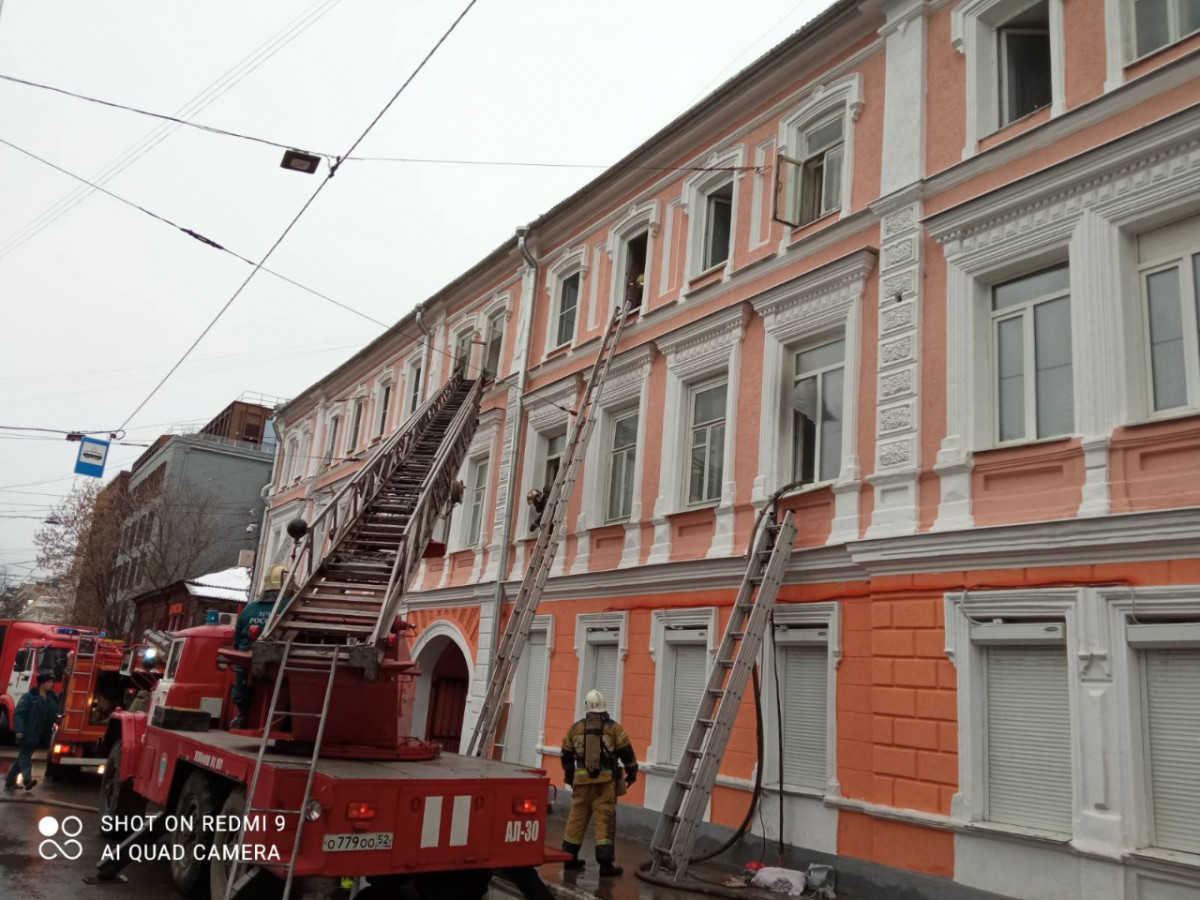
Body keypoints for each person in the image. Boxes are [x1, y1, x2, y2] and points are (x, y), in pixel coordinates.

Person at [559, 689, 638, 876]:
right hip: (604, 784)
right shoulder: (613, 729)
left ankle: (569, 859)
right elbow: (627, 753)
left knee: (576, 820)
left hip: (581, 785)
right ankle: (605, 865)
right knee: (604, 821)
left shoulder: (575, 729)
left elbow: (565, 755)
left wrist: (570, 777)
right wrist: (631, 773)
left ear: (586, 707)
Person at [230, 564, 288, 728]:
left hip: (247, 657)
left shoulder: (249, 609)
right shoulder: (290, 605)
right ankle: (284, 720)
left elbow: (236, 640)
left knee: (242, 676)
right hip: (280, 660)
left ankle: (242, 715)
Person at [5, 673, 59, 791]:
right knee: (25, 756)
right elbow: (19, 714)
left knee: (23, 757)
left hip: (41, 734)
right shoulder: (29, 697)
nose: (51, 684)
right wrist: (19, 730)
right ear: (41, 684)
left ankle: (9, 781)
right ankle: (27, 780)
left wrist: (57, 717)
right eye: (49, 682)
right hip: (27, 733)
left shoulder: (52, 698)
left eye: (51, 682)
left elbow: (52, 713)